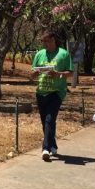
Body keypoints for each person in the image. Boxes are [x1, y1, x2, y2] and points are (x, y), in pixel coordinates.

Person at [30, 30, 73, 161]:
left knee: (49, 119)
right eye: (43, 41)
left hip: (56, 92)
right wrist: (34, 74)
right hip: (41, 91)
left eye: (47, 41)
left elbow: (70, 73)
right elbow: (32, 72)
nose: (45, 44)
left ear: (54, 40)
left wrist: (58, 74)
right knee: (45, 122)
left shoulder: (63, 54)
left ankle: (46, 149)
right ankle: (53, 145)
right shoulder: (39, 54)